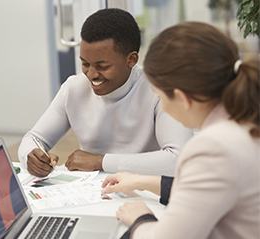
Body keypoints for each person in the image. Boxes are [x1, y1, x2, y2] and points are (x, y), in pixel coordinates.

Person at [102, 22, 259, 239]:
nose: (163, 106)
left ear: (183, 98)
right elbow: (209, 190)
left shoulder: (214, 147)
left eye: (160, 96)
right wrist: (141, 181)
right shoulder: (247, 121)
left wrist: (140, 219)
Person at [18, 8, 193, 178]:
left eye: (102, 66)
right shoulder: (73, 88)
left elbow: (178, 159)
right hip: (90, 193)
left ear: (131, 60)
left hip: (144, 193)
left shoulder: (160, 90)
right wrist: (30, 156)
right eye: (85, 64)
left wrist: (101, 162)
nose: (92, 75)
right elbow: (34, 138)